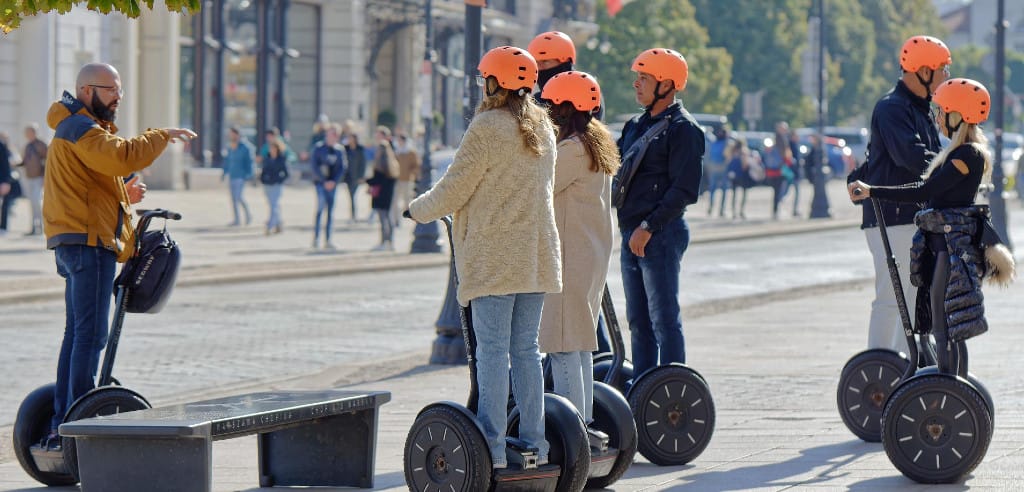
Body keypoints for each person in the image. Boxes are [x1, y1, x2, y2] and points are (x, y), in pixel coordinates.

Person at [407, 46, 560, 470]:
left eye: (484, 79)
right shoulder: (543, 126)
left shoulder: (487, 126)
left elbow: (455, 187)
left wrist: (417, 210)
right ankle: (536, 444)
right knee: (527, 350)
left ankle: (491, 447)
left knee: (492, 352)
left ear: (495, 83)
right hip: (536, 256)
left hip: (496, 257)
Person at [42, 62, 196, 448]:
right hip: (88, 243)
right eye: (110, 89)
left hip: (76, 240)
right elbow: (122, 157)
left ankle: (63, 418)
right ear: (86, 90)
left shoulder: (77, 128)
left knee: (77, 333)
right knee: (90, 335)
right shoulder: (81, 127)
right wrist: (160, 136)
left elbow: (90, 186)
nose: (118, 97)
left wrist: (124, 194)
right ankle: (76, 422)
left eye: (120, 89)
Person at [848, 78, 1015, 374]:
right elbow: (925, 188)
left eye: (941, 112)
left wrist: (874, 191)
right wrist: (874, 188)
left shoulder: (967, 155)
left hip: (949, 249)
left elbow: (923, 191)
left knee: (945, 326)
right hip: (944, 246)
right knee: (943, 325)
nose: (937, 118)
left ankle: (950, 387)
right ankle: (950, 385)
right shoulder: (961, 153)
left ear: (957, 115)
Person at [847, 35, 950, 355]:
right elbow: (913, 157)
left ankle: (901, 365)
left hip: (908, 216)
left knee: (910, 297)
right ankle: (879, 366)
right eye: (943, 69)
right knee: (892, 298)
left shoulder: (920, 109)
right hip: (890, 217)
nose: (947, 76)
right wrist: (953, 173)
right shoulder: (893, 108)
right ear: (924, 71)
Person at [613, 48, 703, 376]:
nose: (636, 84)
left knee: (664, 320)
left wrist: (648, 226)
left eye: (644, 78)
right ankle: (643, 390)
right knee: (638, 322)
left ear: (666, 84)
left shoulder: (684, 129)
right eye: (637, 77)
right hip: (631, 231)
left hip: (660, 234)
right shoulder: (635, 125)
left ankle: (671, 390)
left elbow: (684, 190)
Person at [538, 70, 619, 426]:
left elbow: (539, 186)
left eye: (550, 105)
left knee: (562, 346)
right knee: (580, 346)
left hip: (570, 259)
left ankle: (576, 432)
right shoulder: (595, 142)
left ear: (566, 107)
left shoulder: (571, 150)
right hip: (589, 257)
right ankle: (584, 425)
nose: (546, 112)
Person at [528, 30, 604, 119]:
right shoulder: (538, 99)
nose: (539, 68)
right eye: (536, 63)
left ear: (565, 62)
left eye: (545, 61)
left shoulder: (588, 90)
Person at [311, 124, 347, 250]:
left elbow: (342, 167)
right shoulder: (319, 148)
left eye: (335, 134)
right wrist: (324, 181)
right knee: (320, 210)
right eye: (331, 133)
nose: (333, 136)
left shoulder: (339, 150)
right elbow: (314, 166)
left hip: (333, 185)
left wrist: (334, 181)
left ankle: (328, 239)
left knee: (330, 212)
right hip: (321, 184)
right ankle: (316, 238)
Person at [366, 126, 399, 251]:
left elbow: (377, 179)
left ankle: (385, 241)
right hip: (388, 193)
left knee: (383, 219)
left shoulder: (381, 164)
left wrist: (366, 181)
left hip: (381, 195)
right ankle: (389, 242)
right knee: (388, 217)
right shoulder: (392, 164)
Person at [222, 127, 254, 226]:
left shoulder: (246, 147)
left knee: (238, 197)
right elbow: (227, 161)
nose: (230, 136)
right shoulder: (230, 146)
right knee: (234, 199)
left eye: (232, 134)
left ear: (237, 134)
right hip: (232, 175)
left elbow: (250, 162)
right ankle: (237, 220)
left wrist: (249, 175)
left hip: (241, 176)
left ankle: (248, 215)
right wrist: (224, 172)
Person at [20, 123, 48, 236]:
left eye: (29, 132)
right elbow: (25, 161)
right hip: (29, 178)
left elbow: (47, 161)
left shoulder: (41, 145)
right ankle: (33, 227)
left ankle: (41, 227)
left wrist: (45, 177)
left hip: (39, 178)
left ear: (34, 132)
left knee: (37, 203)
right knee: (32, 204)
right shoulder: (27, 146)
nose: (27, 135)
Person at [260, 139, 289, 235]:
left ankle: (270, 226)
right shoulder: (267, 158)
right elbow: (263, 171)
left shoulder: (281, 159)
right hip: (267, 185)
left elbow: (286, 173)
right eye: (271, 148)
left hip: (277, 185)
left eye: (273, 148)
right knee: (274, 206)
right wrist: (262, 179)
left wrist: (279, 180)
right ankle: (279, 224)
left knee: (274, 205)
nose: (272, 150)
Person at [392, 133, 421, 228]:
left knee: (406, 201)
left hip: (407, 180)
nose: (399, 142)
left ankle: (408, 219)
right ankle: (396, 220)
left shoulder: (411, 152)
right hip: (397, 179)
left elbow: (416, 165)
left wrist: (411, 173)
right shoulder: (397, 152)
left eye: (400, 140)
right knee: (395, 200)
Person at [343, 132, 368, 223]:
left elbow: (363, 164)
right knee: (351, 196)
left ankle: (354, 215)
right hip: (348, 177)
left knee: (353, 196)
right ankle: (353, 215)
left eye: (351, 138)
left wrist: (361, 176)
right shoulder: (345, 149)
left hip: (357, 177)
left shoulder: (360, 149)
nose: (349, 139)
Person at [0, 137, 13, 235]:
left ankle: (3, 227)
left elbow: (5, 164)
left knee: (4, 205)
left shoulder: (1, 145)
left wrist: (6, 181)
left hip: (1, 181)